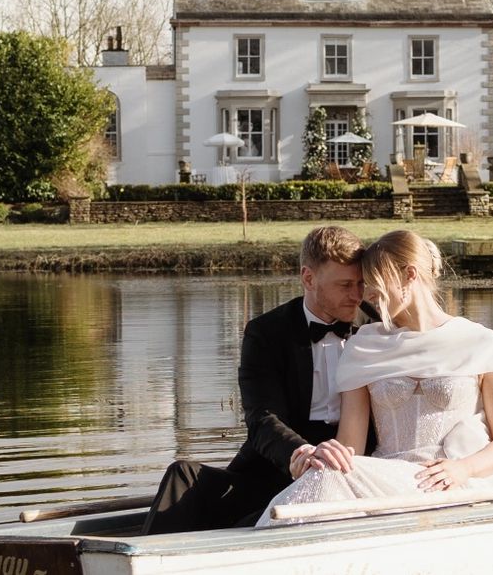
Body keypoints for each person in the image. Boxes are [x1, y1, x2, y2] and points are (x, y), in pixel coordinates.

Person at [256, 229, 493, 527]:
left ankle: (260, 550)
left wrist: (463, 469)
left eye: (373, 283)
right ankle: (266, 547)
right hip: (385, 476)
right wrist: (324, 455)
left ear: (409, 275)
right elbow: (351, 447)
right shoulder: (365, 345)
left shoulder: (480, 341)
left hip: (455, 479)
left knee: (327, 478)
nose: (364, 295)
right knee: (329, 471)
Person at [142, 225, 370, 534]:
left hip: (351, 468)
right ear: (308, 278)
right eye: (345, 285)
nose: (356, 295)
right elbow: (262, 417)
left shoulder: (377, 326)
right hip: (276, 466)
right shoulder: (266, 332)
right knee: (182, 476)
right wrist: (300, 454)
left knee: (256, 524)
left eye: (360, 283)